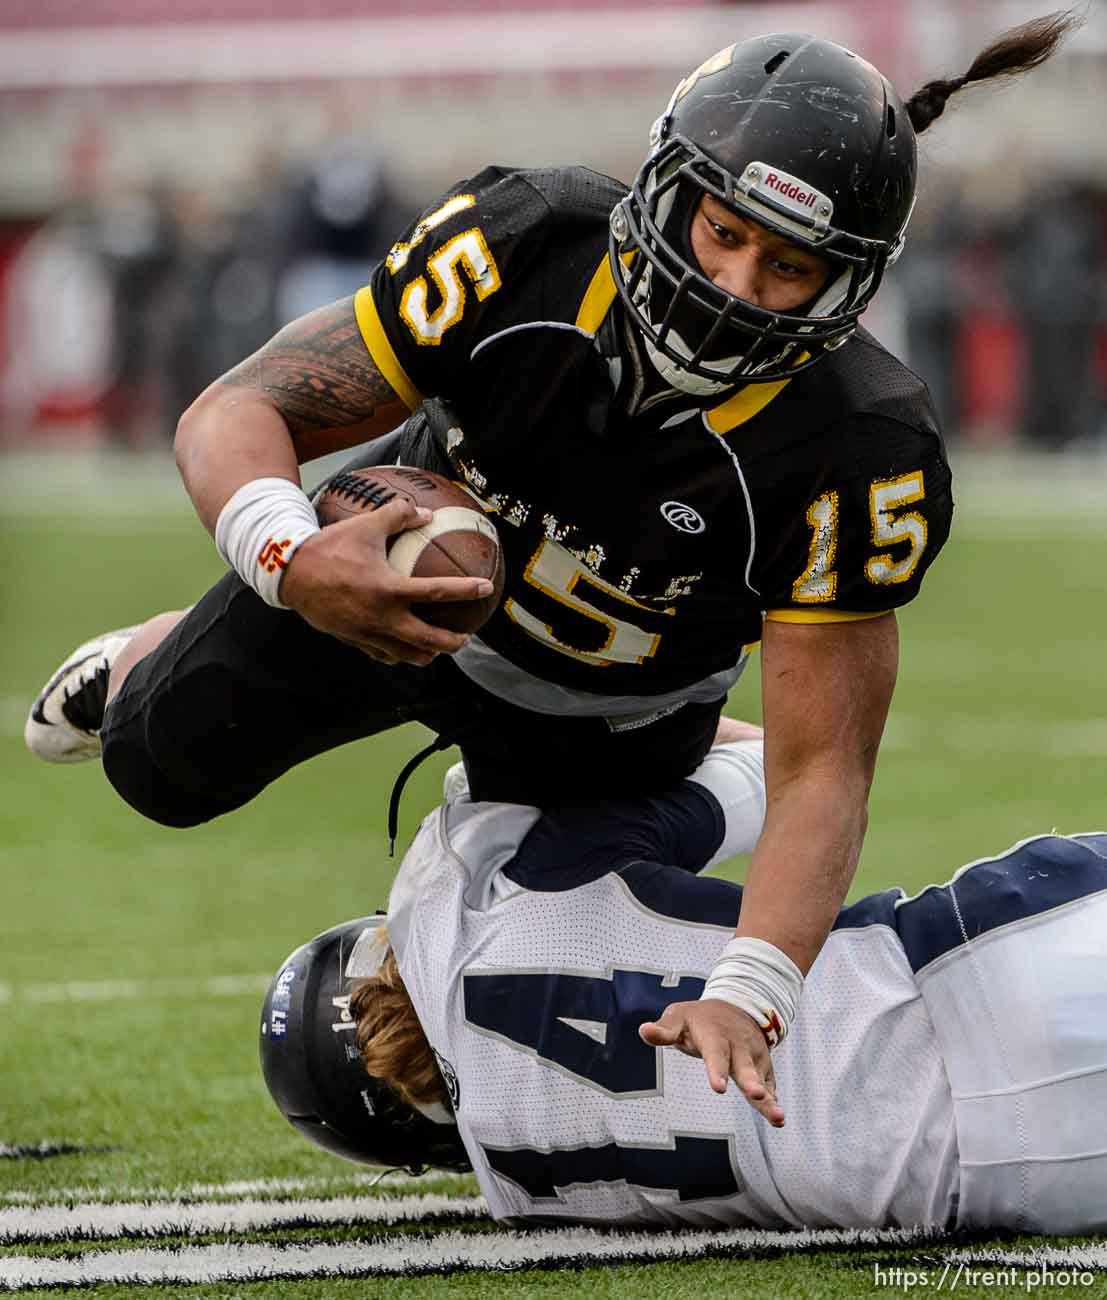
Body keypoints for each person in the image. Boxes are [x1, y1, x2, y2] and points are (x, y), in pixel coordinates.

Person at [28, 16, 1077, 1089]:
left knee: (460, 1056)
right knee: (154, 762)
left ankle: (721, 761)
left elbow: (827, 770)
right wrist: (291, 557)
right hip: (385, 594)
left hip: (610, 721)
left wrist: (749, 992)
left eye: (789, 265)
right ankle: (152, 648)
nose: (736, 284)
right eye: (722, 232)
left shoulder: (862, 445)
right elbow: (238, 407)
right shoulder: (526, 243)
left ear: (847, 285)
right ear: (669, 185)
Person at [261, 722, 1107, 1234]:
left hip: (1008, 1184)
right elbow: (785, 766)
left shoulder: (529, 1197)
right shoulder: (472, 893)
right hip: (983, 984)